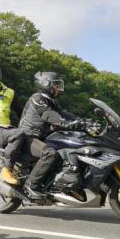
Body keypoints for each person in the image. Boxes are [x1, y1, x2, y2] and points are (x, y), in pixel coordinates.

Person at [18, 72, 96, 201]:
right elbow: (48, 115)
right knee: (50, 153)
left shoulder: (50, 101)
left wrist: (83, 121)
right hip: (28, 137)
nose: (58, 88)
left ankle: (60, 185)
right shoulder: (37, 98)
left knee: (65, 151)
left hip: (41, 137)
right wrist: (66, 123)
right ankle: (31, 185)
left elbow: (63, 113)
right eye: (56, 85)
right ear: (46, 84)